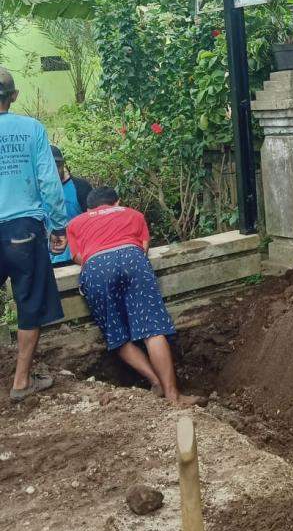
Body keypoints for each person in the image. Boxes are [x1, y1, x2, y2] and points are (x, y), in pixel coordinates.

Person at [66, 186, 199, 405]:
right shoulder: (133, 214)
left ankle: (155, 382)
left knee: (118, 336)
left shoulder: (75, 223)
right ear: (117, 202)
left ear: (89, 209)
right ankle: (173, 396)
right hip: (132, 258)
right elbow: (143, 247)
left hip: (97, 266)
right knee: (153, 330)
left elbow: (79, 257)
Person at [0, 67, 68, 401]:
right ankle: (21, 381)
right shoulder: (32, 129)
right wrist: (58, 226)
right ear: (14, 96)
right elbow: (49, 183)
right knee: (29, 302)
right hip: (23, 230)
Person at [49, 145, 92, 267]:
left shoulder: (80, 187)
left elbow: (94, 222)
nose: (54, 170)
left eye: (57, 166)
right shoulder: (35, 190)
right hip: (47, 261)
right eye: (49, 167)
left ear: (63, 164)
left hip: (77, 258)